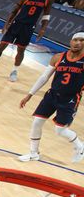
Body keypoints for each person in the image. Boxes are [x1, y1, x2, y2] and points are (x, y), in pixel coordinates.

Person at [17, 33, 84, 163]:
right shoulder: (58, 57)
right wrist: (29, 94)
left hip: (69, 99)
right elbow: (44, 77)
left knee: (60, 130)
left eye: (82, 40)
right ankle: (33, 153)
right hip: (52, 95)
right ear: (70, 41)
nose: (78, 43)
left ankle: (80, 147)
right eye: (75, 40)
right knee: (36, 122)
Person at [0, 0, 54, 82]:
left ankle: (14, 71)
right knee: (2, 46)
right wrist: (7, 23)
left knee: (21, 50)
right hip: (17, 24)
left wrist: (43, 29)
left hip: (29, 27)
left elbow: (46, 14)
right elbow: (16, 9)